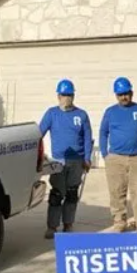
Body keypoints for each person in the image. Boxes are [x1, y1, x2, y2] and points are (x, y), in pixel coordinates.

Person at [99, 77, 137, 233]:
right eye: (120, 94)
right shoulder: (110, 112)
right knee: (116, 192)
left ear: (131, 92)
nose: (124, 97)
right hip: (115, 158)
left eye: (126, 93)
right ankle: (119, 222)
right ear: (116, 95)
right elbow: (103, 133)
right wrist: (105, 154)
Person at [39, 79, 93, 239]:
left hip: (76, 160)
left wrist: (87, 158)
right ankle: (52, 226)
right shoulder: (51, 114)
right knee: (56, 194)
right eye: (64, 95)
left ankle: (68, 223)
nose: (67, 98)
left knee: (71, 193)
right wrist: (38, 154)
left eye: (70, 95)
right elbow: (39, 133)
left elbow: (88, 137)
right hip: (58, 161)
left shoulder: (81, 115)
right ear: (58, 96)